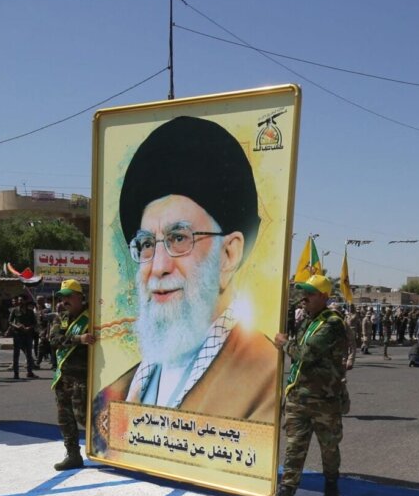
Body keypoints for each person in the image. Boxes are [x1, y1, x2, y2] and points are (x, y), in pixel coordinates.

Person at [92, 115, 279, 425]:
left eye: (179, 238)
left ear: (228, 255)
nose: (158, 268)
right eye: (147, 244)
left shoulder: (262, 380)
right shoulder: (117, 395)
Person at [263, 275, 349, 496]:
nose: (304, 298)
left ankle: (331, 485)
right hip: (299, 397)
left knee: (329, 448)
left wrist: (284, 344)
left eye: (310, 293)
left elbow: (306, 354)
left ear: (323, 296)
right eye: (303, 292)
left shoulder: (332, 324)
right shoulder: (308, 322)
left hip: (325, 399)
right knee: (294, 448)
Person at [49, 279, 95, 470]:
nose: (65, 301)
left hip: (81, 376)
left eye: (69, 296)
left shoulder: (92, 316)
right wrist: (79, 338)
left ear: (79, 297)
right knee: (65, 418)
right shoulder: (63, 317)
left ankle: (110, 449)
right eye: (62, 297)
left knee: (84, 417)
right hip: (63, 376)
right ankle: (73, 454)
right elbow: (53, 339)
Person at [8, 295, 39, 379]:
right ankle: (16, 373)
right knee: (16, 354)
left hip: (28, 334)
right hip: (17, 334)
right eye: (19, 300)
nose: (20, 302)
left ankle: (29, 372)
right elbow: (10, 321)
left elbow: (34, 323)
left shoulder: (30, 311)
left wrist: (29, 327)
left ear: (25, 301)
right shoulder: (14, 310)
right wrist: (16, 326)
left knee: (29, 353)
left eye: (21, 300)